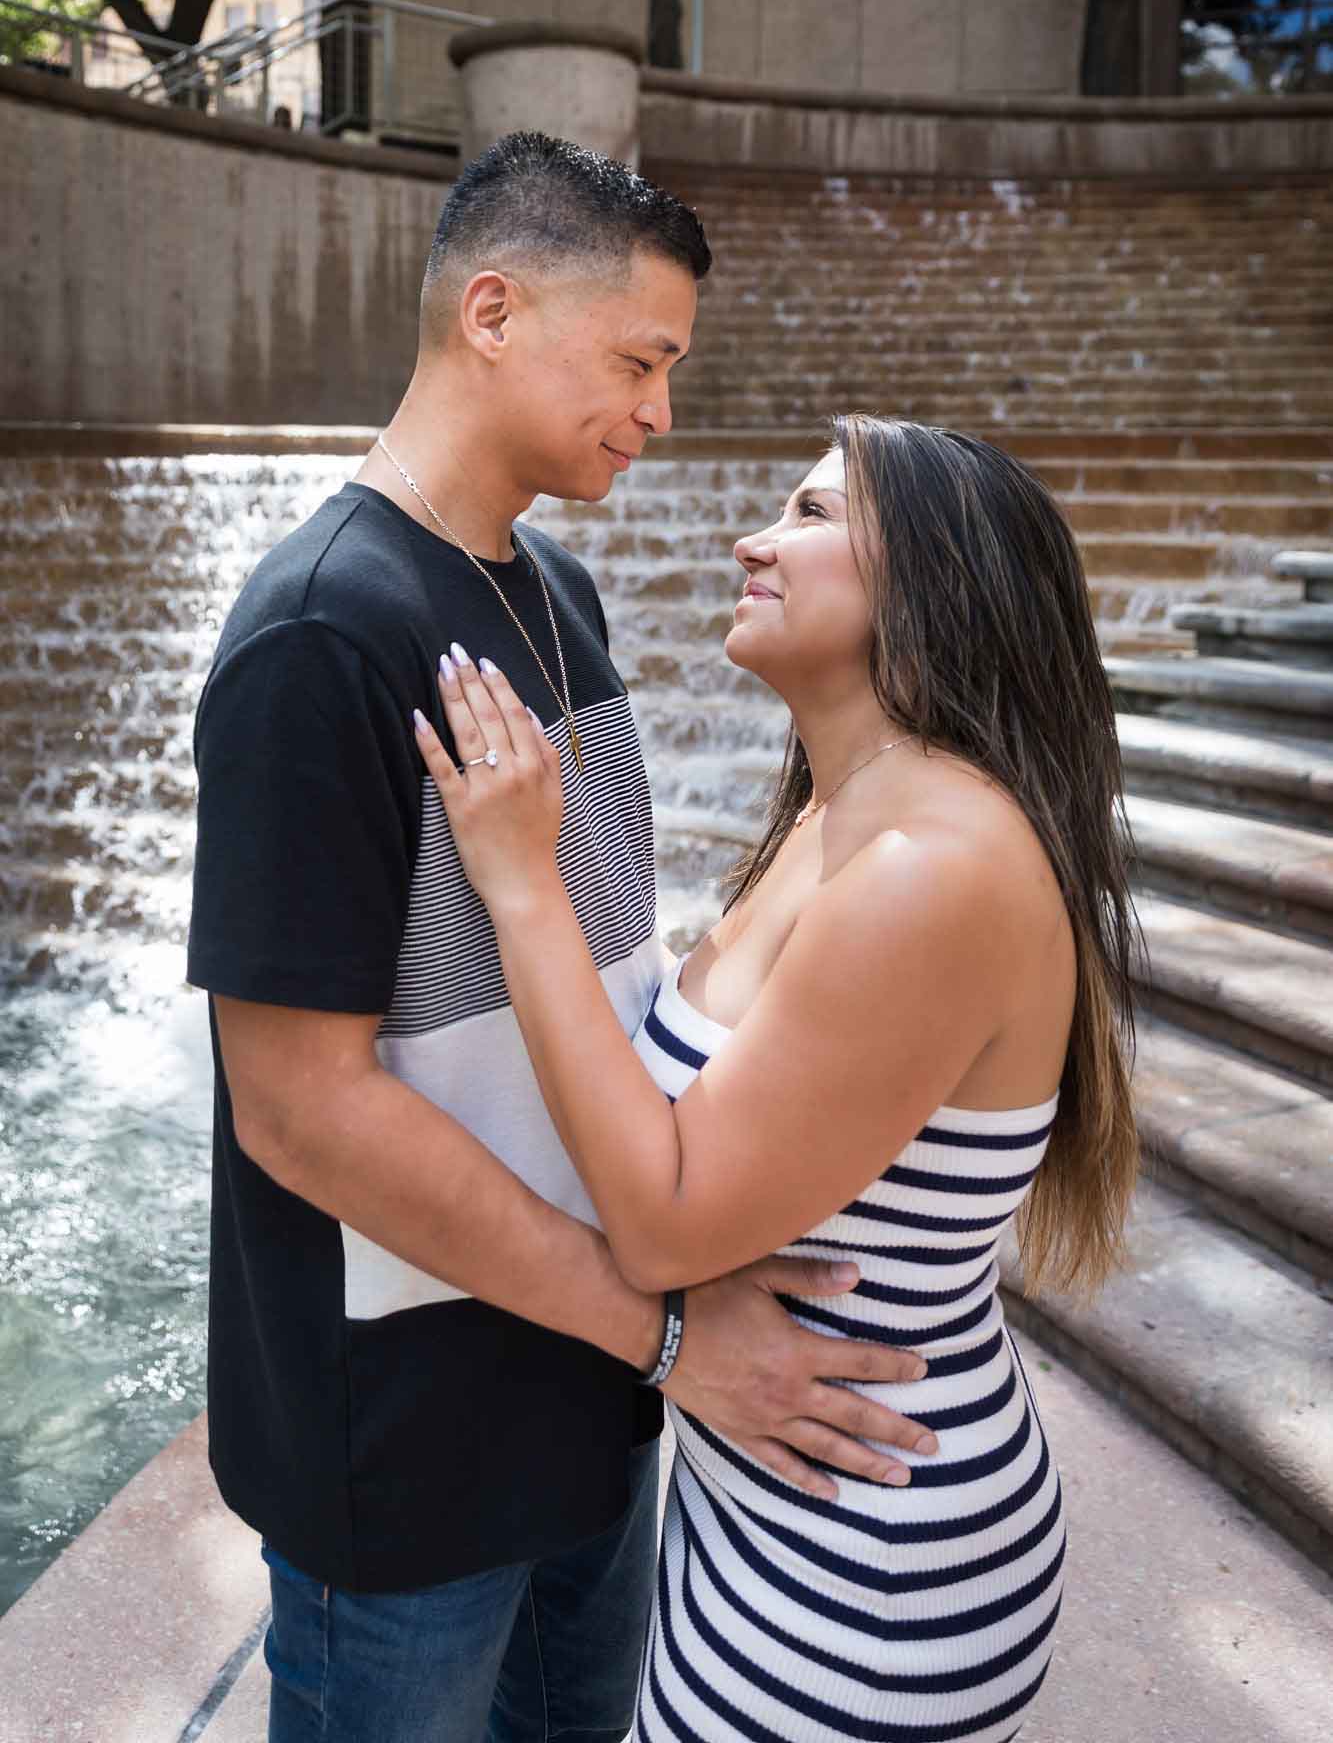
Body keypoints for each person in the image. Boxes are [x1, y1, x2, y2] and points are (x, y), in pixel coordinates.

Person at [186, 134, 940, 1743]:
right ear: (491, 313)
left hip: (592, 1403)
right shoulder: (322, 631)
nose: (660, 413)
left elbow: (597, 976)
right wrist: (664, 1329)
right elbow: (299, 1109)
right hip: (404, 1450)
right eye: (639, 360)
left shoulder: (563, 594)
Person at [412, 413, 1140, 1743]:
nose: (755, 538)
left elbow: (667, 1221)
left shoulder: (931, 872)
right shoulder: (838, 813)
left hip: (867, 1569)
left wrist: (522, 882)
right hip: (779, 1506)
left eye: (810, 514)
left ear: (933, 580)